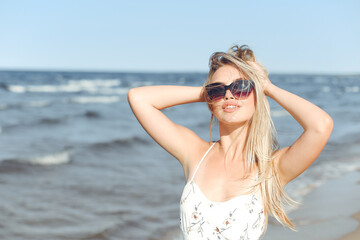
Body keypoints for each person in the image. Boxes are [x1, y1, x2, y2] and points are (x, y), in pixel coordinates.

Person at [127, 45, 334, 239]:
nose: (228, 95)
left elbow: (320, 126)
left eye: (241, 87)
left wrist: (267, 87)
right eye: (218, 90)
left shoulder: (271, 169)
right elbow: (138, 98)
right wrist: (206, 93)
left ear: (258, 95)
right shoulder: (195, 153)